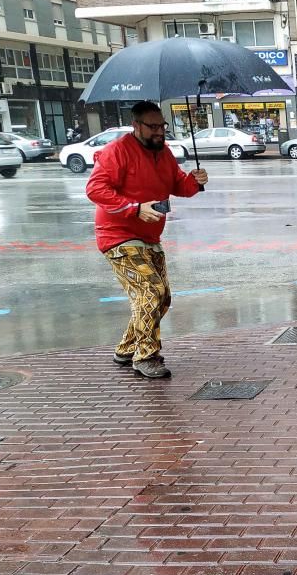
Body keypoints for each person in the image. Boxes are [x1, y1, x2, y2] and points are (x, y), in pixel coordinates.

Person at [86, 100, 208, 379]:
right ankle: (146, 356)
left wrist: (195, 180)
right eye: (152, 127)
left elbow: (179, 185)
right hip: (119, 237)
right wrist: (134, 208)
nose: (159, 132)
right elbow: (95, 189)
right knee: (150, 293)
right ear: (136, 125)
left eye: (161, 126)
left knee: (162, 298)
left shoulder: (163, 153)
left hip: (150, 236)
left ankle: (127, 347)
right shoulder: (117, 151)